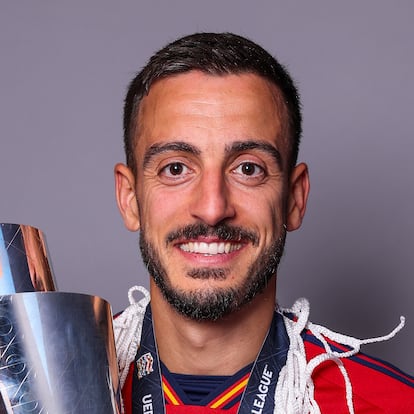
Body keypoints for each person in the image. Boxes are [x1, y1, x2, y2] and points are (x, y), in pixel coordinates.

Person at [113, 32, 414, 413]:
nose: (212, 208)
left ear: (294, 198)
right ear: (129, 198)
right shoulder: (36, 388)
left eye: (248, 168)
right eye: (176, 168)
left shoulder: (392, 405)